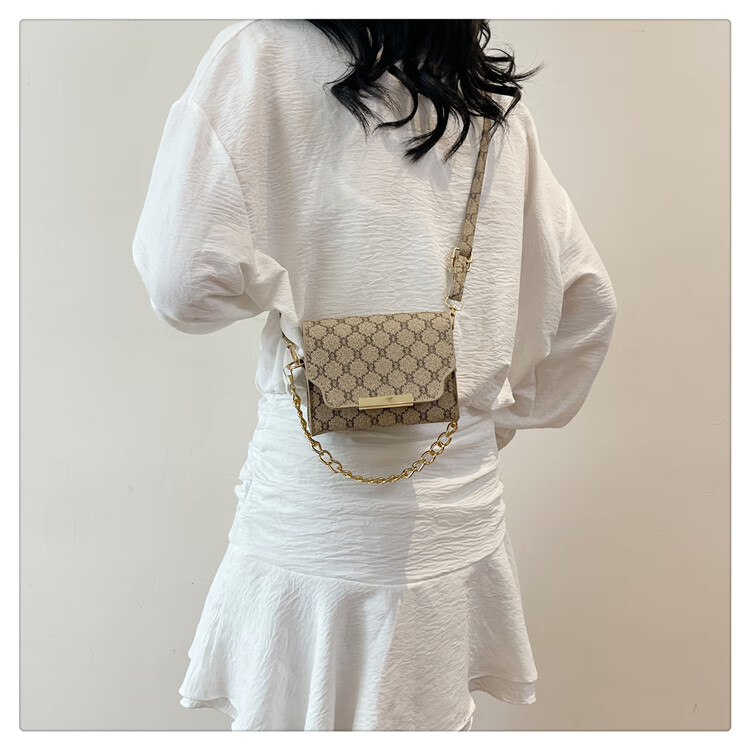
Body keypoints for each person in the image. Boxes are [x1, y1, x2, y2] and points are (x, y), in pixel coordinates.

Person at [132, 19, 617, 731]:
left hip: (315, 525)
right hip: (458, 522)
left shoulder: (261, 55)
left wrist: (286, 290)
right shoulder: (487, 99)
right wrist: (477, 426)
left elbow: (182, 283)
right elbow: (585, 305)